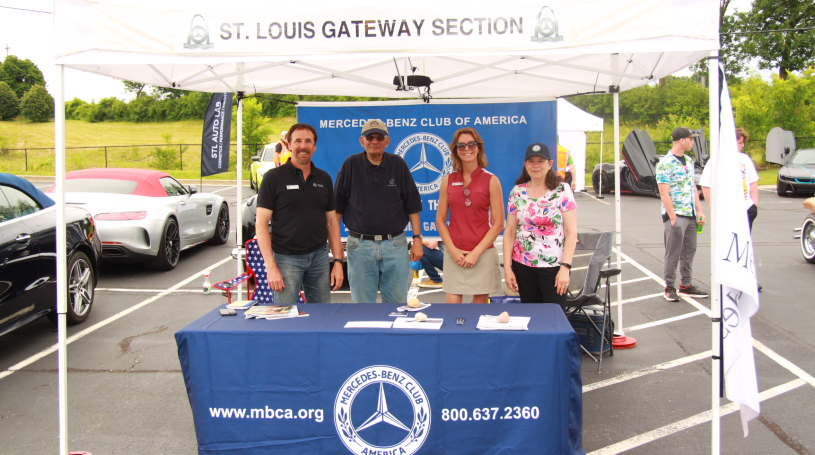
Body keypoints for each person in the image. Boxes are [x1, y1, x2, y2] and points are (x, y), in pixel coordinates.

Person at [334, 119, 424, 303]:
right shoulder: (350, 165)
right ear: (362, 141)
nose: (374, 141)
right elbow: (336, 209)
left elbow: (413, 205)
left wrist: (417, 239)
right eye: (370, 137)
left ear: (387, 141)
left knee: (397, 306)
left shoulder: (398, 164)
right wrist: (335, 245)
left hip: (395, 245)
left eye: (379, 137)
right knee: (362, 308)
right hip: (359, 246)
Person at [255, 123, 344, 303]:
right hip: (286, 259)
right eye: (298, 141)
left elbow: (332, 223)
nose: (303, 146)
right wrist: (270, 267)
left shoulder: (324, 178)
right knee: (285, 314)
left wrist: (338, 261)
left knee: (321, 314)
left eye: (308, 141)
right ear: (289, 145)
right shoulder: (273, 178)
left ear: (314, 146)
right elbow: (261, 224)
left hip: (319, 257)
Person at [503, 143, 577, 309]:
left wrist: (565, 267)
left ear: (550, 164)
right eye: (531, 161)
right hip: (523, 266)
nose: (535, 165)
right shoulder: (517, 192)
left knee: (554, 316)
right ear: (525, 164)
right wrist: (508, 269)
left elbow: (571, 232)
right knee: (531, 315)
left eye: (540, 161)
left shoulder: (562, 190)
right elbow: (509, 232)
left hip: (554, 267)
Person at [436, 128, 504, 303]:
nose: (467, 149)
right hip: (455, 254)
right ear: (456, 150)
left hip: (482, 253)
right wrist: (452, 250)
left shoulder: (491, 180)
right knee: (453, 309)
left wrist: (476, 253)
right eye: (461, 145)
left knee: (478, 310)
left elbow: (498, 223)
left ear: (478, 148)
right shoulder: (448, 180)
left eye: (471, 144)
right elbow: (440, 220)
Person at [700, 127, 761, 291]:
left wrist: (754, 205)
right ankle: (729, 279)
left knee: (745, 245)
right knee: (730, 245)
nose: (743, 146)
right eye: (740, 142)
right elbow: (706, 186)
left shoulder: (745, 159)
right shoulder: (717, 160)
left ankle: (747, 278)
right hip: (727, 211)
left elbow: (753, 182)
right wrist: (714, 210)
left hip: (746, 209)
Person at [656, 127, 707, 302]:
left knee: (689, 252)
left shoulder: (689, 161)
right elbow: (664, 193)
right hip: (676, 215)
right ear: (682, 140)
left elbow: (692, 187)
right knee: (673, 253)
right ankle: (669, 287)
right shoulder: (665, 164)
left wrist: (699, 211)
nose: (693, 142)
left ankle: (686, 285)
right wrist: (673, 217)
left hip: (690, 213)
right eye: (691, 139)